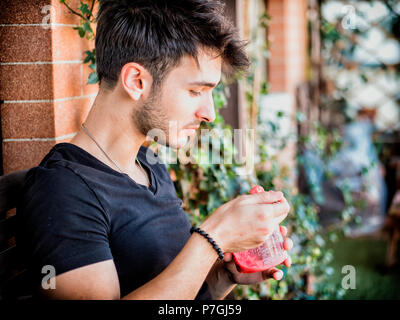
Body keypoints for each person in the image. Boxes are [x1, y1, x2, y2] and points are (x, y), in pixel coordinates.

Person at [16, 0, 292, 300]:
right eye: (195, 91)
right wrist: (212, 238)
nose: (209, 113)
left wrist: (222, 276)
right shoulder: (62, 191)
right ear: (136, 81)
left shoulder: (150, 165)